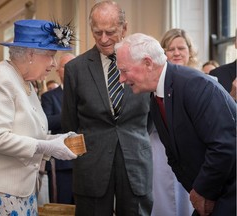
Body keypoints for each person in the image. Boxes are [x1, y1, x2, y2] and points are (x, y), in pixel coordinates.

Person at [0, 19, 77, 215]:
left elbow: (25, 132)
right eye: (51, 56)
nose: (53, 64)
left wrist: (58, 140)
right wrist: (48, 146)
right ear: (30, 54)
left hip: (17, 188)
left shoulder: (24, 81)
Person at [115, 33, 236, 216]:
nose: (121, 79)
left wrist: (202, 192)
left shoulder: (194, 85)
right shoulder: (157, 96)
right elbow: (173, 154)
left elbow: (225, 145)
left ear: (148, 63)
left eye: (124, 71)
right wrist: (196, 192)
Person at [61, 1, 153, 216]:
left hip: (135, 164)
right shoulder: (75, 69)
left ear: (124, 28)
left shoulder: (145, 64)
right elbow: (69, 125)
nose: (103, 39)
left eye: (110, 32)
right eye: (97, 32)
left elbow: (149, 120)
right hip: (91, 169)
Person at [148, 28, 199, 216]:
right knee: (163, 200)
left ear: (190, 51)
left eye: (181, 48)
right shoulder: (152, 84)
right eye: (171, 49)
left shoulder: (205, 81)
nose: (176, 53)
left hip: (194, 151)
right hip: (160, 151)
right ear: (162, 53)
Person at [41, 53, 76, 204]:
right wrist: (72, 114)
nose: (70, 70)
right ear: (58, 70)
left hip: (87, 162)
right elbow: (46, 122)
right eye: (65, 66)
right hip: (61, 163)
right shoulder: (49, 97)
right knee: (61, 206)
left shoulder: (86, 94)